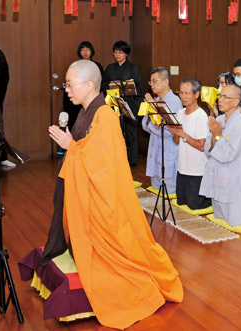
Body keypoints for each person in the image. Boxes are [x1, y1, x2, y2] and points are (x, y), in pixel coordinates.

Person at [46, 60, 183, 329]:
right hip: (88, 191)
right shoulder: (88, 112)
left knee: (120, 255)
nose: (67, 90)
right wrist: (73, 147)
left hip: (104, 199)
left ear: (88, 85)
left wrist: (70, 146)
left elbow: (101, 163)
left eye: (69, 84)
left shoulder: (105, 115)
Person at [199, 84, 241, 226]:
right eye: (220, 96)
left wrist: (218, 136)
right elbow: (208, 150)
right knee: (219, 217)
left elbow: (229, 155)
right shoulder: (219, 120)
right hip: (217, 174)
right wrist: (214, 137)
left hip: (232, 178)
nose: (220, 99)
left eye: (225, 97)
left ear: (236, 102)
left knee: (237, 222)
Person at [168, 77, 211, 210]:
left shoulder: (201, 116)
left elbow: (201, 145)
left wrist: (183, 135)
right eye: (181, 93)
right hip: (183, 168)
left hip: (197, 171)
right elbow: (176, 141)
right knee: (182, 202)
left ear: (196, 94)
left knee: (195, 205)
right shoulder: (180, 113)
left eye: (187, 93)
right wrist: (175, 132)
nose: (183, 96)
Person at [103, 40, 144, 165]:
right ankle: (115, 159)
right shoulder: (110, 68)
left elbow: (139, 87)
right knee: (115, 131)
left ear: (126, 54)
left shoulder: (133, 68)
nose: (117, 55)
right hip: (114, 103)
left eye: (120, 52)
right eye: (115, 52)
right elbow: (104, 84)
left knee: (131, 132)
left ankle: (131, 160)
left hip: (130, 104)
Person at [142, 67, 181, 194]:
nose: (151, 85)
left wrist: (153, 111)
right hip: (155, 149)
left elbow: (167, 131)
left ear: (165, 81)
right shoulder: (156, 100)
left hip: (168, 151)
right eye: (150, 82)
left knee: (168, 194)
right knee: (156, 192)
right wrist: (153, 118)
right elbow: (145, 124)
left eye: (154, 81)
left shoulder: (174, 102)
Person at [64, 41, 105, 131]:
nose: (85, 52)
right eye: (82, 50)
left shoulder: (97, 66)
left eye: (87, 50)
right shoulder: (75, 67)